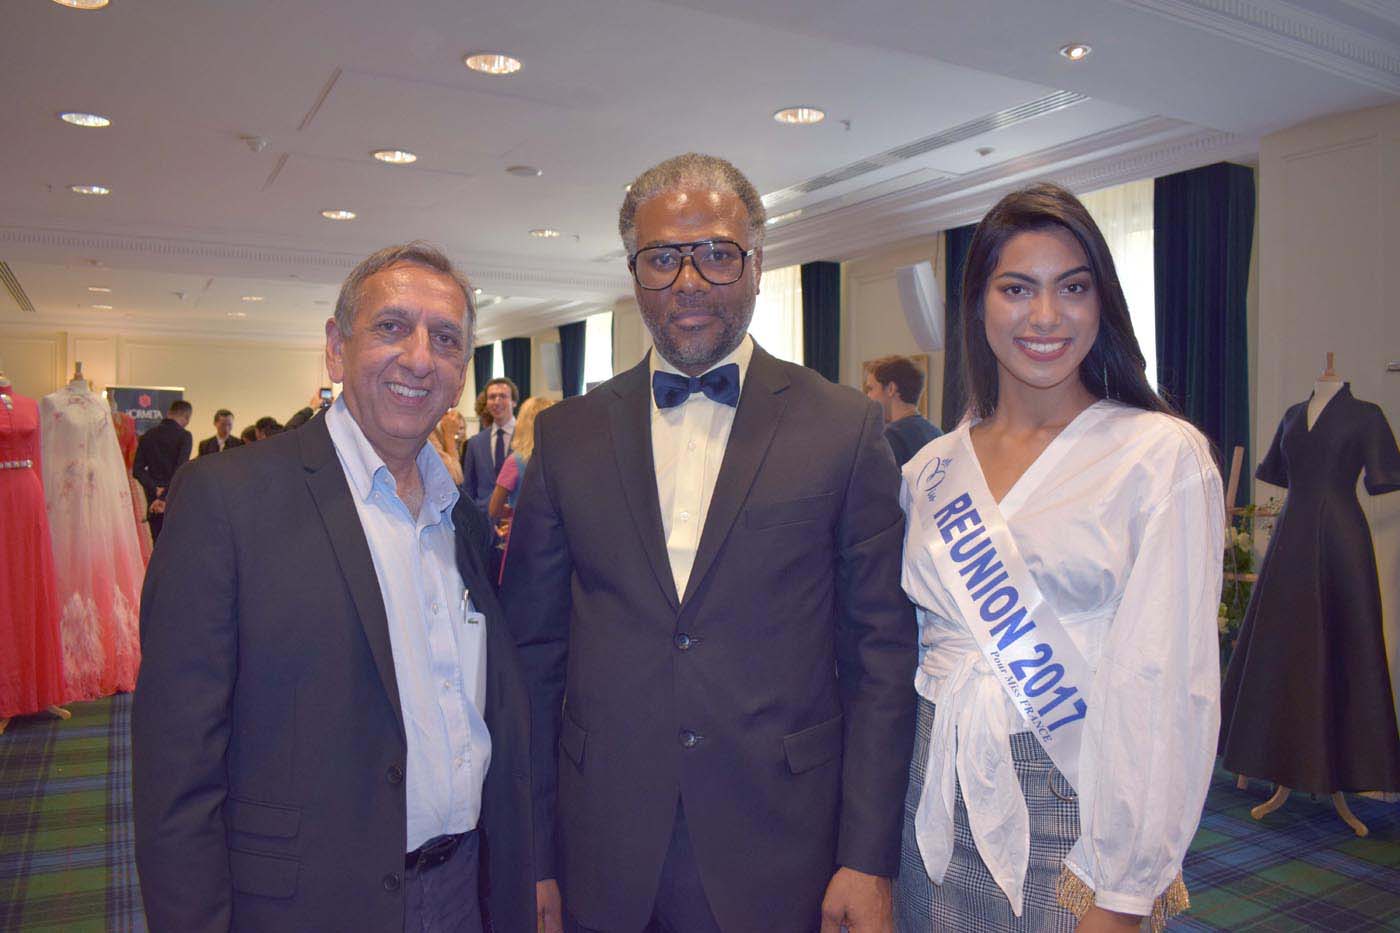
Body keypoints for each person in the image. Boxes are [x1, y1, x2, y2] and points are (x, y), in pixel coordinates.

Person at [504, 153, 916, 933]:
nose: (688, 281)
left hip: (784, 839)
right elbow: (533, 657)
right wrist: (534, 857)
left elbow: (881, 659)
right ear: (634, 274)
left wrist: (868, 856)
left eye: (717, 253)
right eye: (662, 257)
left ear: (757, 265)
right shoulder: (567, 437)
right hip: (604, 841)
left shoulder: (844, 428)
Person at [132, 243, 534, 933]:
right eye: (391, 327)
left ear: (462, 370)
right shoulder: (231, 500)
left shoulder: (460, 519)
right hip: (307, 904)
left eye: (445, 339)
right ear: (335, 347)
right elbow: (175, 767)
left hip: (468, 889)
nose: (418, 357)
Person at [893, 183, 1223, 932]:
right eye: (1017, 288)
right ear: (979, 302)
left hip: (1073, 812)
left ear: (1102, 301)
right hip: (930, 797)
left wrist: (1124, 888)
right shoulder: (930, 471)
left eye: (1072, 287)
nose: (1046, 316)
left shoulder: (1157, 457)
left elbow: (1167, 687)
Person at [488, 396, 555, 581]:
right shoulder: (562, 461)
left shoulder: (515, 462)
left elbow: (494, 508)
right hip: (557, 543)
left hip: (523, 542)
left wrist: (513, 512)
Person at [864, 355, 942, 467]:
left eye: (871, 389)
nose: (868, 396)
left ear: (891, 389)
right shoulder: (936, 434)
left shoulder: (888, 438)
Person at [133, 398, 193, 540]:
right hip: (173, 497)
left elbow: (137, 469)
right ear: (187, 417)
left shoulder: (147, 436)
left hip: (152, 499)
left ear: (168, 413)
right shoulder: (184, 436)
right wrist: (165, 495)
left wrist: (155, 489)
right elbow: (181, 468)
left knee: (155, 541)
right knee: (174, 543)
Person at [461, 378, 517, 511]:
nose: (497, 401)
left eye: (503, 396)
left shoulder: (527, 438)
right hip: (484, 521)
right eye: (492, 397)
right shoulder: (475, 443)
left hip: (516, 519)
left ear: (513, 402)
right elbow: (469, 488)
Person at [430, 408, 466, 487]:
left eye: (461, 428)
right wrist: (449, 436)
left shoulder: (466, 445)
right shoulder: (428, 433)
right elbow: (456, 477)